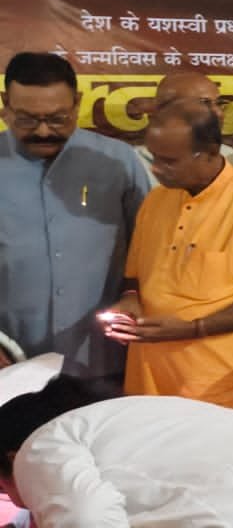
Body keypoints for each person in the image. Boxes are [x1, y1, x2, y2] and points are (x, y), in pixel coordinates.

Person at [102, 101, 233, 408]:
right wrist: (130, 299)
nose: (156, 169)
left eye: (169, 161)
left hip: (222, 382)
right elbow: (136, 275)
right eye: (154, 157)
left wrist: (193, 329)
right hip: (153, 377)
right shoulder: (156, 200)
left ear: (208, 153)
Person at [0, 377, 233, 527]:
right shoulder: (133, 413)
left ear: (12, 458)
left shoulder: (41, 445)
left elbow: (88, 518)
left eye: (4, 490)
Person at [0, 52, 148, 379]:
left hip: (101, 357)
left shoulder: (117, 161)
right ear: (5, 104)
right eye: (27, 119)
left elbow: (149, 245)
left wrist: (132, 295)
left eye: (57, 119)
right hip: (10, 360)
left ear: (77, 103)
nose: (43, 131)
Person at [134, 71, 233, 186]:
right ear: (163, 111)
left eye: (219, 103)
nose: (219, 113)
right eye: (204, 104)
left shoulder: (230, 157)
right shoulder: (132, 165)